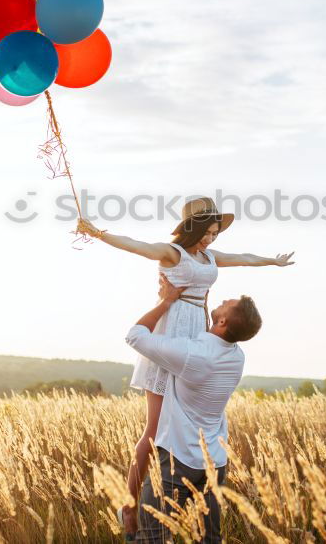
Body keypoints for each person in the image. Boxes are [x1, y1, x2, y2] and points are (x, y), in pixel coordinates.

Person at [75, 196, 294, 536]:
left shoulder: (209, 257)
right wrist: (96, 233)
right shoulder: (172, 253)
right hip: (172, 327)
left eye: (216, 234)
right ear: (193, 228)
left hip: (200, 333)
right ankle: (130, 505)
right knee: (153, 430)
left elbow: (244, 258)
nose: (211, 240)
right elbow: (137, 246)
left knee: (185, 418)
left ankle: (174, 499)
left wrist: (272, 262)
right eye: (207, 232)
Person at [124, 272, 263, 543]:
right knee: (208, 538)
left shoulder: (194, 355)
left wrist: (166, 302)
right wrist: (199, 300)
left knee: (153, 536)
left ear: (222, 321)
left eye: (227, 303)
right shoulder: (236, 356)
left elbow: (135, 336)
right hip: (214, 463)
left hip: (179, 460)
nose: (222, 299)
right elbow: (211, 334)